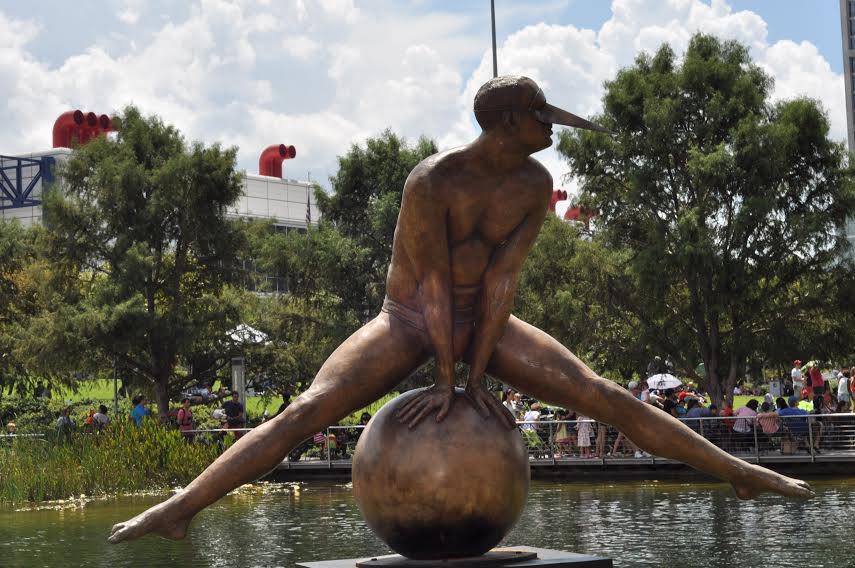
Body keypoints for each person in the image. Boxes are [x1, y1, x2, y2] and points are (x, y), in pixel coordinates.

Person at [108, 75, 813, 545]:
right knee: (305, 412)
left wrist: (478, 380)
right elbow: (434, 287)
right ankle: (183, 507)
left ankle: (737, 471)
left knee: (599, 394)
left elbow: (501, 281)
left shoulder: (534, 183)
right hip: (410, 316)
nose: (551, 130)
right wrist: (445, 384)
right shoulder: (433, 180)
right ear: (507, 121)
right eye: (543, 118)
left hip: (488, 321)